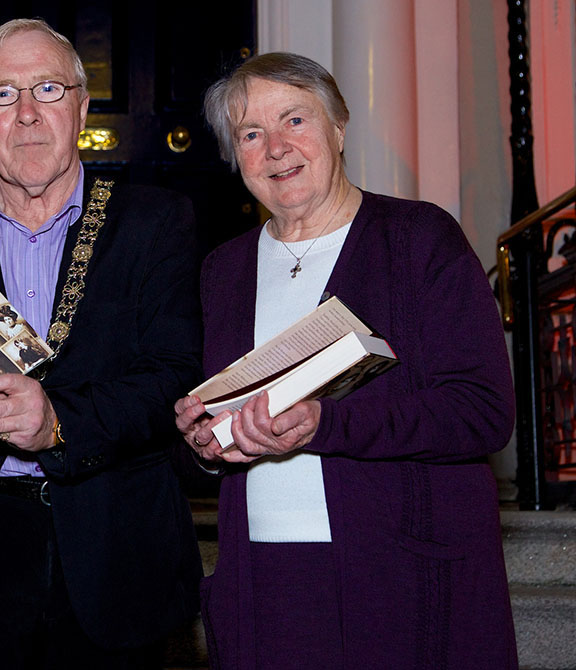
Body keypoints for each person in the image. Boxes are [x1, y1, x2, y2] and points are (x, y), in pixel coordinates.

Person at [174, 52, 517, 668]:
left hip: (397, 573)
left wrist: (326, 424)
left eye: (295, 121)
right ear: (236, 158)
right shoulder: (223, 270)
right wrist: (205, 440)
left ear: (337, 128)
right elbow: (229, 418)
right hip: (264, 574)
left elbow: (481, 411)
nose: (276, 148)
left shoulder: (417, 239)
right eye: (251, 134)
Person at [0, 18, 203, 669]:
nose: (28, 114)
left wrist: (59, 422)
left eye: (48, 89)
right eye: (2, 95)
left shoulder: (153, 221)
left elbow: (175, 376)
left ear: (83, 106)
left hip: (114, 550)